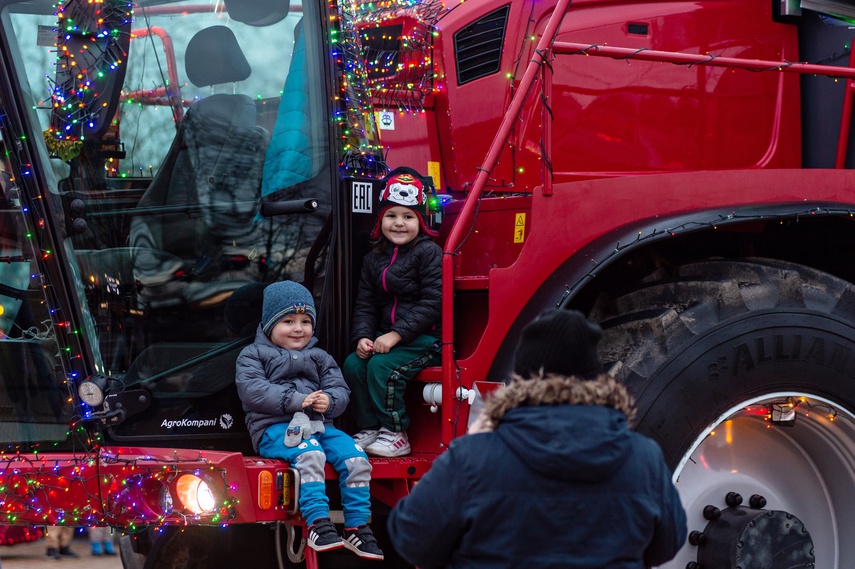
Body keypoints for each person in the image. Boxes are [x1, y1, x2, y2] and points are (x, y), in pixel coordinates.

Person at [387, 308, 688, 569]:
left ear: (523, 376)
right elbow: (667, 544)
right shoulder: (643, 457)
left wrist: (471, 443)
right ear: (595, 377)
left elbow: (413, 540)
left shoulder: (473, 457)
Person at [235, 281, 384, 560]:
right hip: (275, 428)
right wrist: (295, 399)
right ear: (269, 325)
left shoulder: (320, 357)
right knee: (310, 453)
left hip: (321, 425)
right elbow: (253, 390)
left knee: (356, 456)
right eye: (288, 321)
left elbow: (340, 389)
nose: (298, 328)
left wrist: (330, 401)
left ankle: (357, 526)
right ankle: (318, 522)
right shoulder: (251, 355)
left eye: (305, 321)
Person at [343, 166, 442, 457]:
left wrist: (396, 335)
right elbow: (365, 303)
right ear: (381, 220)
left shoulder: (428, 253)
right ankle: (369, 427)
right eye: (391, 215)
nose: (399, 223)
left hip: (425, 339)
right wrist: (362, 336)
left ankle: (396, 431)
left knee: (381, 366)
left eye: (408, 217)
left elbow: (433, 303)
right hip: (388, 336)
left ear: (420, 222)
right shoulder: (374, 257)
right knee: (354, 364)